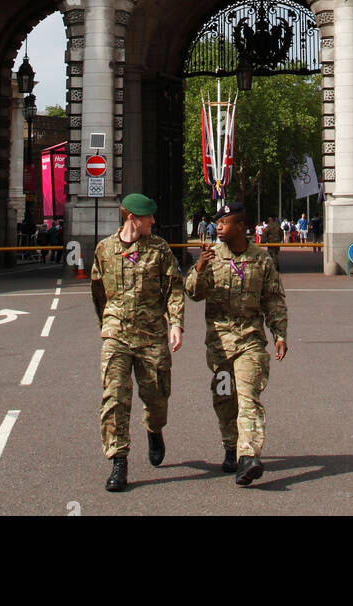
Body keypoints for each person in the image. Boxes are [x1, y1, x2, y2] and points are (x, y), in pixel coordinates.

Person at [185, 200, 288, 486]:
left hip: (251, 341)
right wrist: (199, 269)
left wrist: (279, 334)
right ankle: (230, 445)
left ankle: (248, 455)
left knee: (248, 397)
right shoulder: (210, 257)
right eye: (217, 222)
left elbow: (273, 299)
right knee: (224, 398)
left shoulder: (262, 260)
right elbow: (193, 294)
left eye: (224, 222)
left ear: (241, 226)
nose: (218, 226)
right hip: (218, 346)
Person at [90, 193, 184, 492]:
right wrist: (106, 324)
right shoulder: (104, 249)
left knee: (157, 397)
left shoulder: (159, 248)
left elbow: (174, 288)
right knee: (114, 398)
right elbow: (97, 291)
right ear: (132, 217)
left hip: (151, 334)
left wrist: (176, 323)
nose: (153, 222)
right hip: (116, 335)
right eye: (148, 217)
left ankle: (154, 429)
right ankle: (119, 461)